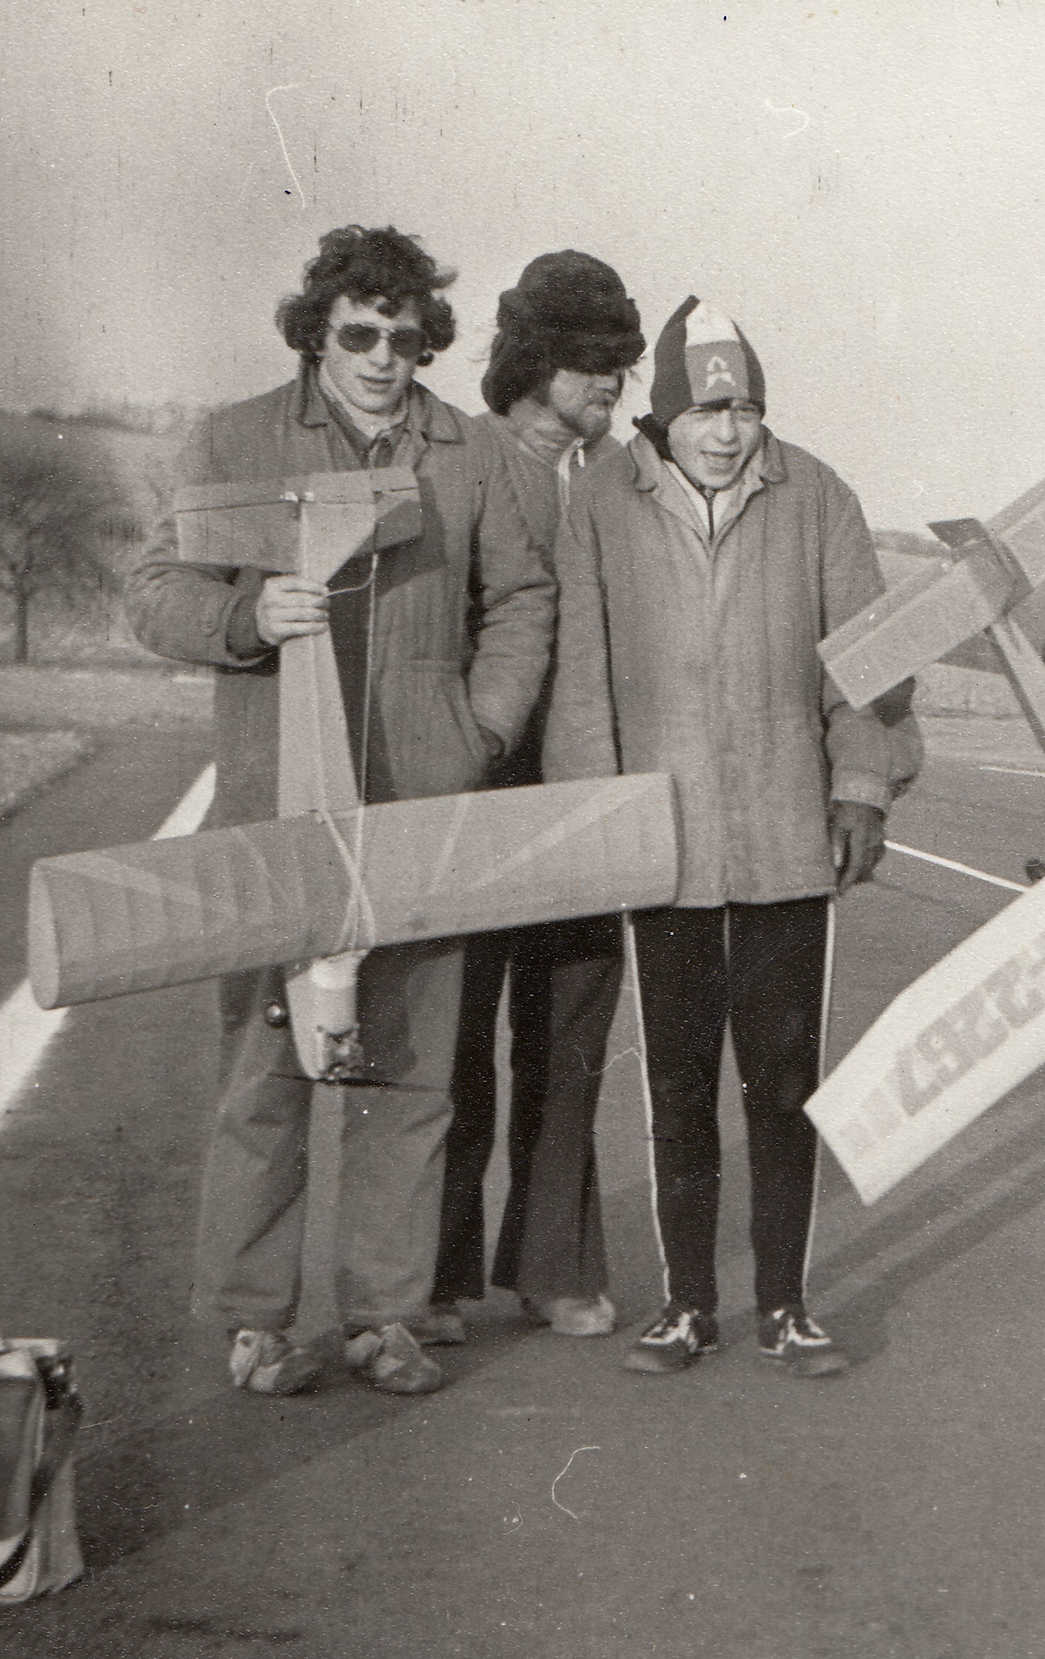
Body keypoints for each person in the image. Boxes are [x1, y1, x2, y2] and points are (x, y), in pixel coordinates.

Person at [127, 225, 556, 1398]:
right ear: (317, 333)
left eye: (404, 340)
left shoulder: (469, 454)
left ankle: (385, 1315)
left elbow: (522, 599)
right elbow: (153, 590)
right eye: (359, 334)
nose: (381, 359)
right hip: (277, 812)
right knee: (266, 1073)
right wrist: (244, 618)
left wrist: (478, 731)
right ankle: (255, 1318)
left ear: (427, 346)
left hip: (421, 809)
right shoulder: (236, 440)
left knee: (406, 1076)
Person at [543, 295, 923, 1378]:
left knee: (783, 1082)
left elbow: (867, 668)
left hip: (785, 841)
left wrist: (862, 790)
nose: (726, 432)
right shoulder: (602, 503)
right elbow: (581, 683)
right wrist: (596, 823)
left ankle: (788, 1305)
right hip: (661, 844)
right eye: (706, 411)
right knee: (675, 1084)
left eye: (744, 410)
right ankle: (687, 1305)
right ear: (664, 416)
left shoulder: (819, 497)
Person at [424, 251, 645, 1348]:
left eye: (623, 361)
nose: (612, 381)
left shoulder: (628, 480)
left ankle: (553, 1265)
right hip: (473, 785)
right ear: (531, 360)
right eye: (591, 359)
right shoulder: (459, 461)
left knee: (568, 1041)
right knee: (453, 1036)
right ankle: (434, 1274)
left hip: (587, 789)